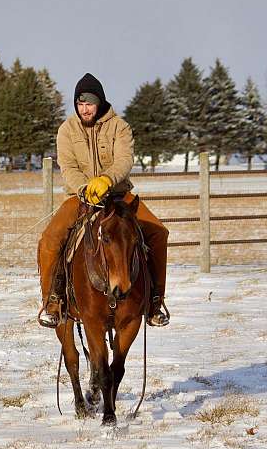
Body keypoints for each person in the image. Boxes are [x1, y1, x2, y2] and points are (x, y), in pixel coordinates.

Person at [38, 72, 170, 328]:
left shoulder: (120, 127)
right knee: (50, 239)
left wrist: (107, 180)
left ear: (100, 103)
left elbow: (124, 160)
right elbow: (67, 165)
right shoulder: (66, 130)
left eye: (89, 103)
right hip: (83, 198)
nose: (85, 109)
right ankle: (52, 301)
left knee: (158, 233)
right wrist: (85, 187)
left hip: (118, 195)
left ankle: (155, 301)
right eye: (80, 104)